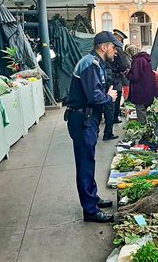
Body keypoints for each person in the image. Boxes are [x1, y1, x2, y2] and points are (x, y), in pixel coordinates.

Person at [65, 31, 121, 222]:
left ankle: (92, 198)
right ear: (104, 47)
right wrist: (109, 97)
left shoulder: (94, 62)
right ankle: (90, 210)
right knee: (85, 163)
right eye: (114, 48)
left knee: (88, 161)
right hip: (82, 120)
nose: (115, 52)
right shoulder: (90, 64)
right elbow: (94, 97)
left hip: (86, 119)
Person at [127, 52, 158, 124]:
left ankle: (143, 126)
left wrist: (127, 74)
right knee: (147, 110)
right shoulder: (145, 60)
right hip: (148, 89)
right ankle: (148, 126)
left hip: (140, 89)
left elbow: (135, 76)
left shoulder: (138, 61)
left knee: (140, 109)